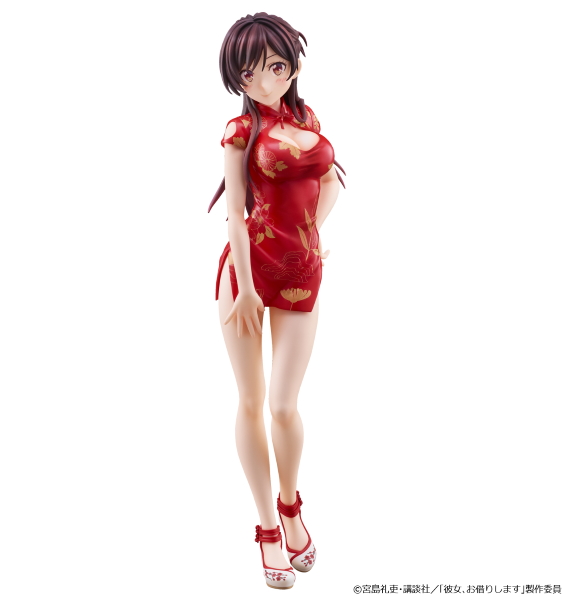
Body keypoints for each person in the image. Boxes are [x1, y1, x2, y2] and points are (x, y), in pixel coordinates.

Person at [208, 12, 345, 590]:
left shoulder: (309, 120)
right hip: (245, 272)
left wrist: (312, 234)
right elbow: (235, 214)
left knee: (284, 405)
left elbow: (331, 181)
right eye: (249, 73)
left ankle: (292, 506)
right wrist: (244, 286)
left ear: (292, 64)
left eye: (274, 67)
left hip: (300, 272)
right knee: (251, 400)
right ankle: (267, 525)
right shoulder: (240, 131)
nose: (264, 82)